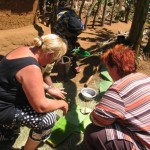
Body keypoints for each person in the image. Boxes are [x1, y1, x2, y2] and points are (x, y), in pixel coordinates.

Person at [0, 34, 68, 150]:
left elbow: (25, 78)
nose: (52, 62)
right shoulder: (32, 68)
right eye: (54, 60)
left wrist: (49, 89)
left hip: (4, 98)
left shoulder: (24, 50)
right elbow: (41, 106)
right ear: (50, 54)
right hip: (3, 108)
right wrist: (62, 104)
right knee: (48, 118)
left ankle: (6, 130)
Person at [84, 44, 150, 150]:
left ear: (114, 68)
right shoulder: (145, 77)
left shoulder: (118, 89)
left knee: (92, 132)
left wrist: (94, 112)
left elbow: (97, 120)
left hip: (145, 145)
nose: (108, 72)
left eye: (108, 68)